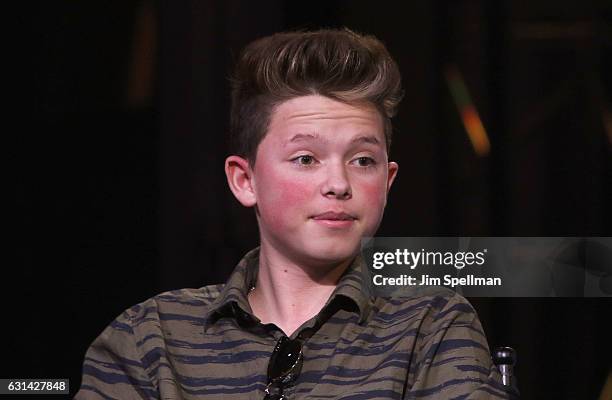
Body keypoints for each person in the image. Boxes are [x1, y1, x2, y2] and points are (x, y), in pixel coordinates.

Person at [76, 28, 513, 399]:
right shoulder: (152, 339)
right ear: (244, 180)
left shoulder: (429, 328)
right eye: (306, 158)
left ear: (388, 182)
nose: (339, 184)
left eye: (363, 160)